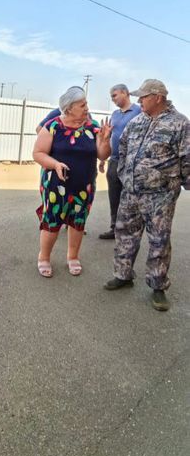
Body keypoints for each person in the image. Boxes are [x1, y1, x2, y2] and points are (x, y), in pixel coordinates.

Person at [104, 79, 190, 311]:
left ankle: (158, 286)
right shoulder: (137, 121)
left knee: (159, 240)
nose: (139, 100)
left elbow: (187, 159)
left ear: (158, 97)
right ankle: (123, 275)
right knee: (124, 233)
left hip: (160, 196)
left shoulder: (179, 124)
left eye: (144, 97)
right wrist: (123, 175)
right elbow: (122, 149)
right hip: (131, 192)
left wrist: (175, 186)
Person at [33, 86, 111, 277]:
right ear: (68, 108)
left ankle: (73, 256)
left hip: (84, 186)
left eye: (86, 104)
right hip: (55, 185)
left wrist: (105, 141)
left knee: (78, 222)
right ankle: (44, 258)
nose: (86, 108)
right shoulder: (52, 126)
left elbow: (102, 155)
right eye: (82, 105)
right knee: (52, 220)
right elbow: (38, 153)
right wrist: (55, 164)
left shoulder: (92, 127)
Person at [99, 84, 140, 240]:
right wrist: (103, 159)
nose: (112, 99)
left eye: (114, 95)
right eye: (111, 96)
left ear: (125, 93)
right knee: (114, 195)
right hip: (114, 160)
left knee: (129, 197)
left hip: (131, 162)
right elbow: (110, 137)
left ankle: (128, 230)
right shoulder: (115, 114)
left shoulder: (138, 111)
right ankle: (114, 227)